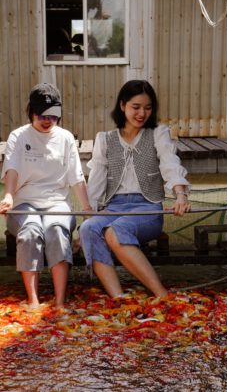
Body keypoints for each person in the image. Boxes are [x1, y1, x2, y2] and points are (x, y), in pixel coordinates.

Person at [79, 80, 191, 298]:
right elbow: (96, 182)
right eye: (136, 107)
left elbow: (170, 163)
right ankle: (118, 298)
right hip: (114, 207)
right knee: (88, 230)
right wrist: (88, 214)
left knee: (116, 231)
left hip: (147, 207)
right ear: (123, 106)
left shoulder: (158, 133)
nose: (142, 113)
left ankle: (161, 294)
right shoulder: (105, 139)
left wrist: (180, 194)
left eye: (148, 108)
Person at [0, 83, 91, 309]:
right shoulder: (18, 136)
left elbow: (76, 176)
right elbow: (12, 169)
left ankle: (60, 301)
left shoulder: (65, 138)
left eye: (53, 116)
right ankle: (33, 300)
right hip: (24, 202)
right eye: (41, 116)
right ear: (31, 112)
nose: (47, 121)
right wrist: (8, 197)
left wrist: (87, 210)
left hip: (57, 202)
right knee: (31, 231)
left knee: (56, 230)